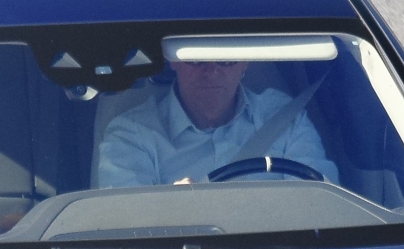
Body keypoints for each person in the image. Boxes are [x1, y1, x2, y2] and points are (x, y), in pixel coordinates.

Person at [94, 60, 337, 188]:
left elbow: (323, 209)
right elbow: (125, 228)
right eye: (197, 59)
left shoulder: (286, 119)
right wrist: (165, 211)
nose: (211, 71)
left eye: (225, 59)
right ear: (173, 61)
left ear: (245, 62)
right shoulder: (131, 133)